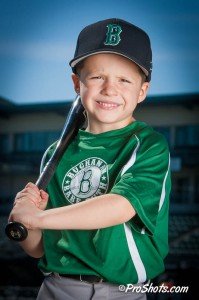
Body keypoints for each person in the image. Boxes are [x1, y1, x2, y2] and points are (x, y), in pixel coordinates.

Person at [9, 18, 171, 300]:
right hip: (56, 287)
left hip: (121, 291)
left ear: (142, 91)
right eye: (97, 77)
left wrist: (40, 217)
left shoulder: (147, 145)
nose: (110, 89)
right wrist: (24, 223)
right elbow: (40, 249)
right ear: (77, 83)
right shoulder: (55, 153)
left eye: (124, 79)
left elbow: (120, 207)